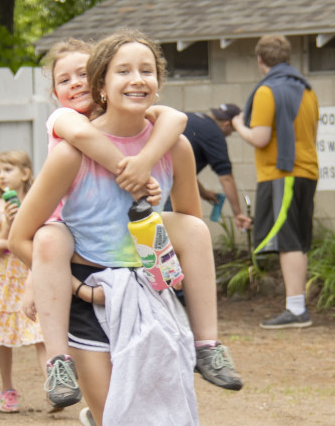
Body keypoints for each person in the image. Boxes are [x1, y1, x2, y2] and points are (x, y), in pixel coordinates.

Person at [26, 38, 241, 411]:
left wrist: (146, 162)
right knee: (112, 413)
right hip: (81, 271)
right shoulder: (68, 134)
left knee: (195, 229)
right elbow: (23, 236)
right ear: (103, 82)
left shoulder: (171, 140)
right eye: (123, 71)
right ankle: (58, 362)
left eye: (146, 71)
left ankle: (207, 345)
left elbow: (175, 121)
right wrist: (78, 289)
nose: (136, 79)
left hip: (146, 280)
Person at [231, 34, 319, 329]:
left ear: (260, 60)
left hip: (282, 173)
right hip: (307, 171)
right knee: (298, 241)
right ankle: (297, 306)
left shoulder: (267, 91)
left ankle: (296, 310)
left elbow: (260, 137)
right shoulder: (307, 90)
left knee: (287, 241)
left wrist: (238, 124)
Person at [0, 150, 48, 413]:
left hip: (33, 275)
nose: (1, 176)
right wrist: (8, 224)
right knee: (3, 338)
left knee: (41, 335)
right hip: (5, 281)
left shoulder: (40, 203)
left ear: (25, 174)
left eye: (8, 170)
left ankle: (52, 388)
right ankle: (7, 389)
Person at [173, 103, 250, 230]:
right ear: (226, 124)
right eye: (232, 131)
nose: (230, 134)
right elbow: (226, 178)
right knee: (173, 231)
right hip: (169, 189)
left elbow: (181, 169)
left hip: (154, 179)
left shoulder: (191, 118)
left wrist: (203, 193)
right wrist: (238, 214)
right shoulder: (214, 133)